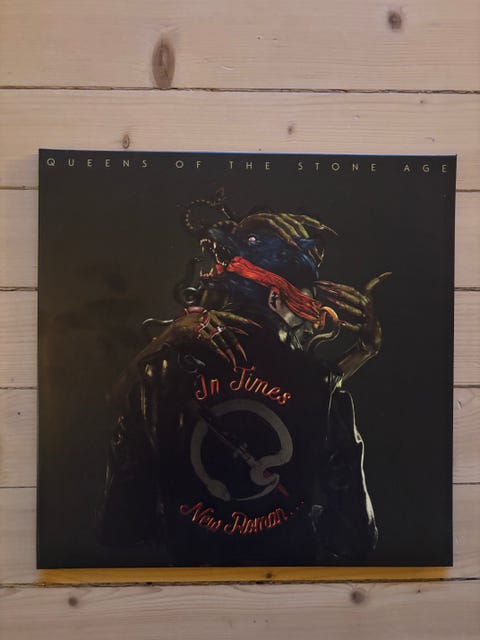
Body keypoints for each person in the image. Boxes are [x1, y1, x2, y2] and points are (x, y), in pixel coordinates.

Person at [99, 193, 389, 565]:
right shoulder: (325, 387)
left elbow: (121, 526)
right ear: (275, 300)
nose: (312, 322)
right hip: (291, 586)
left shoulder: (161, 373)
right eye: (307, 306)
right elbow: (352, 539)